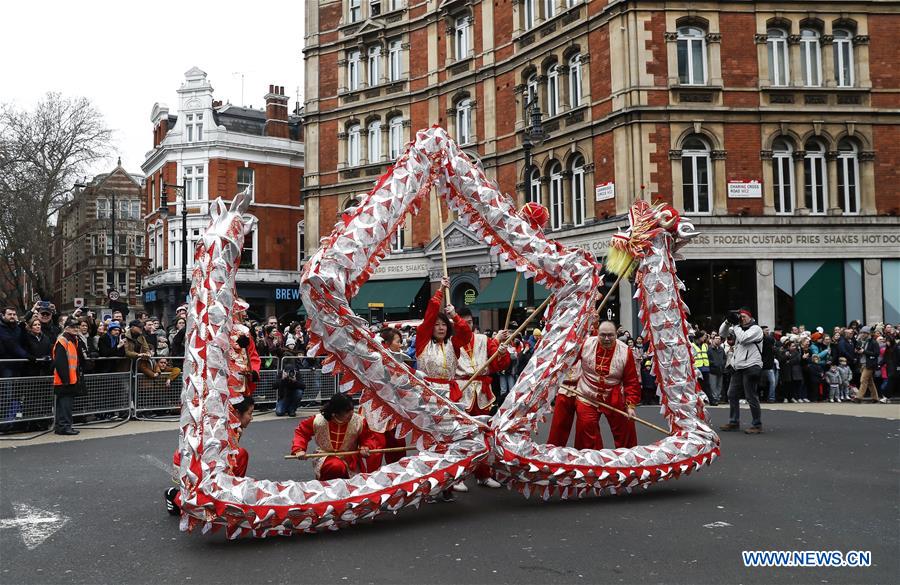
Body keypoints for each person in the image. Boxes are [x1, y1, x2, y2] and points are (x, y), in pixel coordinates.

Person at [547, 319, 641, 450]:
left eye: (610, 335)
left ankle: (628, 457)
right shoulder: (586, 344)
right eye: (603, 335)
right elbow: (567, 360)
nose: (606, 339)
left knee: (626, 426)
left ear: (616, 334)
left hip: (613, 395)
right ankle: (590, 459)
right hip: (587, 394)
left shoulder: (625, 352)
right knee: (586, 428)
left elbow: (631, 381)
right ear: (598, 334)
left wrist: (630, 406)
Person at [165, 395, 255, 515]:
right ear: (237, 413)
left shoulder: (231, 426)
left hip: (203, 462)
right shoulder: (222, 425)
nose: (251, 418)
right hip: (189, 464)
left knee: (237, 457)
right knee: (240, 455)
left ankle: (227, 495)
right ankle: (175, 495)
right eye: (250, 413)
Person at [453, 308, 510, 489]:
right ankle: (458, 477)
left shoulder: (483, 340)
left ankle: (483, 474)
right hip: (461, 391)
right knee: (460, 436)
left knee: (483, 434)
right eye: (463, 322)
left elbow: (498, 364)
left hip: (482, 393)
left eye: (470, 322)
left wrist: (501, 352)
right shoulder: (451, 342)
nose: (467, 325)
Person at [290, 393, 378, 481]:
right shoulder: (318, 421)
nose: (351, 413)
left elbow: (367, 437)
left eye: (351, 409)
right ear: (335, 412)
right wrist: (299, 449)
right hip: (325, 457)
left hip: (350, 459)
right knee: (336, 466)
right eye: (347, 411)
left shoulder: (359, 421)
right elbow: (301, 432)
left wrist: (365, 447)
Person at [415, 277, 472, 402]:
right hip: (428, 392)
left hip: (450, 394)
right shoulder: (423, 342)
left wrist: (454, 316)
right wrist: (440, 290)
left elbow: (466, 334)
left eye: (444, 324)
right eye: (436, 325)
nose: (441, 328)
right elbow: (430, 316)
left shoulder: (453, 343)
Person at [718, 309, 764, 434]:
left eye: (743, 316)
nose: (741, 319)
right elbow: (722, 333)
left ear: (750, 317)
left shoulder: (756, 329)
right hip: (738, 367)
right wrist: (727, 322)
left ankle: (757, 424)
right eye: (740, 316)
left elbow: (743, 339)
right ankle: (734, 422)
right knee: (732, 394)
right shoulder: (738, 328)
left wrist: (735, 325)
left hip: (751, 366)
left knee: (750, 396)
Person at [51, 318, 86, 435]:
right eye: (73, 327)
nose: (76, 329)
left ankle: (61, 426)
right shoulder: (63, 340)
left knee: (64, 404)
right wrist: (65, 379)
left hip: (69, 378)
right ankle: (64, 426)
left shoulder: (73, 340)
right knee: (65, 404)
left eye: (77, 327)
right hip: (65, 380)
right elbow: (60, 362)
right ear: (66, 328)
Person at [855, 326, 882, 402]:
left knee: (863, 380)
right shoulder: (860, 341)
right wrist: (857, 351)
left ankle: (859, 397)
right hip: (862, 363)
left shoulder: (873, 342)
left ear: (868, 334)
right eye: (861, 332)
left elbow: (876, 353)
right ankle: (875, 398)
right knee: (870, 382)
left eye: (864, 333)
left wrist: (864, 351)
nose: (862, 334)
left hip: (869, 364)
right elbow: (859, 351)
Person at [0, 306, 28, 377]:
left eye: (14, 314)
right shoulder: (1, 328)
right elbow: (9, 343)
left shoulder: (17, 328)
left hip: (18, 364)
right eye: (9, 314)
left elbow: (22, 342)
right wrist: (26, 355)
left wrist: (23, 331)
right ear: (3, 315)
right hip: (5, 365)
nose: (12, 316)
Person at [691, 331, 715, 406]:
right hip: (697, 369)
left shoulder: (705, 345)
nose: (704, 338)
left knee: (707, 385)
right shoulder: (692, 346)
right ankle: (700, 401)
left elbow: (709, 355)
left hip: (705, 368)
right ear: (698, 337)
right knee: (698, 386)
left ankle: (711, 400)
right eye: (702, 337)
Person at [707, 334, 726, 405]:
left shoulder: (721, 349)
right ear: (713, 339)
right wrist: (713, 364)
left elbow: (724, 358)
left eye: (719, 339)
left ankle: (717, 398)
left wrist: (722, 364)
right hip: (712, 370)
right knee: (713, 386)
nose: (718, 340)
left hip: (720, 370)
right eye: (716, 338)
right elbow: (707, 359)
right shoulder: (709, 349)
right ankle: (714, 399)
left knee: (719, 386)